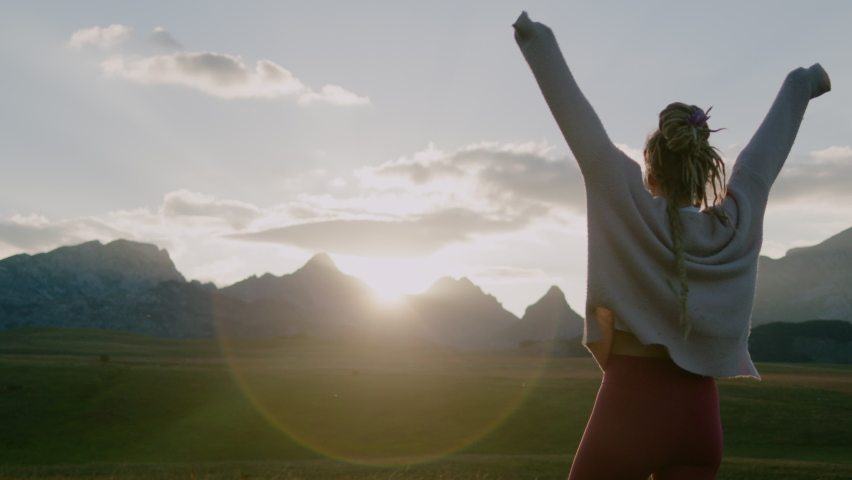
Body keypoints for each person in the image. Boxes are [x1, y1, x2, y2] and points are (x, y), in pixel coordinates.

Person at [513, 11, 831, 480]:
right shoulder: (734, 224)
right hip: (700, 421)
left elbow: (584, 131)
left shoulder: (626, 204)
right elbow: (759, 164)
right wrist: (800, 85)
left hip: (631, 410)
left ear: (650, 169)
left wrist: (535, 39)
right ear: (706, 171)